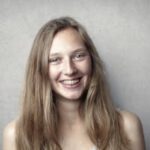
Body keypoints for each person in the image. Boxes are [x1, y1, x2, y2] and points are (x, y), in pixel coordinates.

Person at [3, 16, 145, 150]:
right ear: (40, 69)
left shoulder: (127, 126)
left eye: (78, 56)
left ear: (92, 61)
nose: (70, 70)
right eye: (55, 59)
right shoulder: (15, 135)